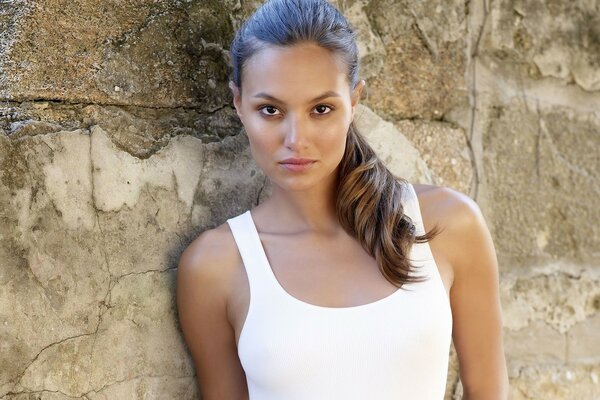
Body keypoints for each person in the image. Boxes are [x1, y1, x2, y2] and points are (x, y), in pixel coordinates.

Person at [176, 0, 508, 398]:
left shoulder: (448, 225)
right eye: (270, 109)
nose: (296, 139)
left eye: (321, 109)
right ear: (238, 104)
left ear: (354, 101)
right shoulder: (215, 266)